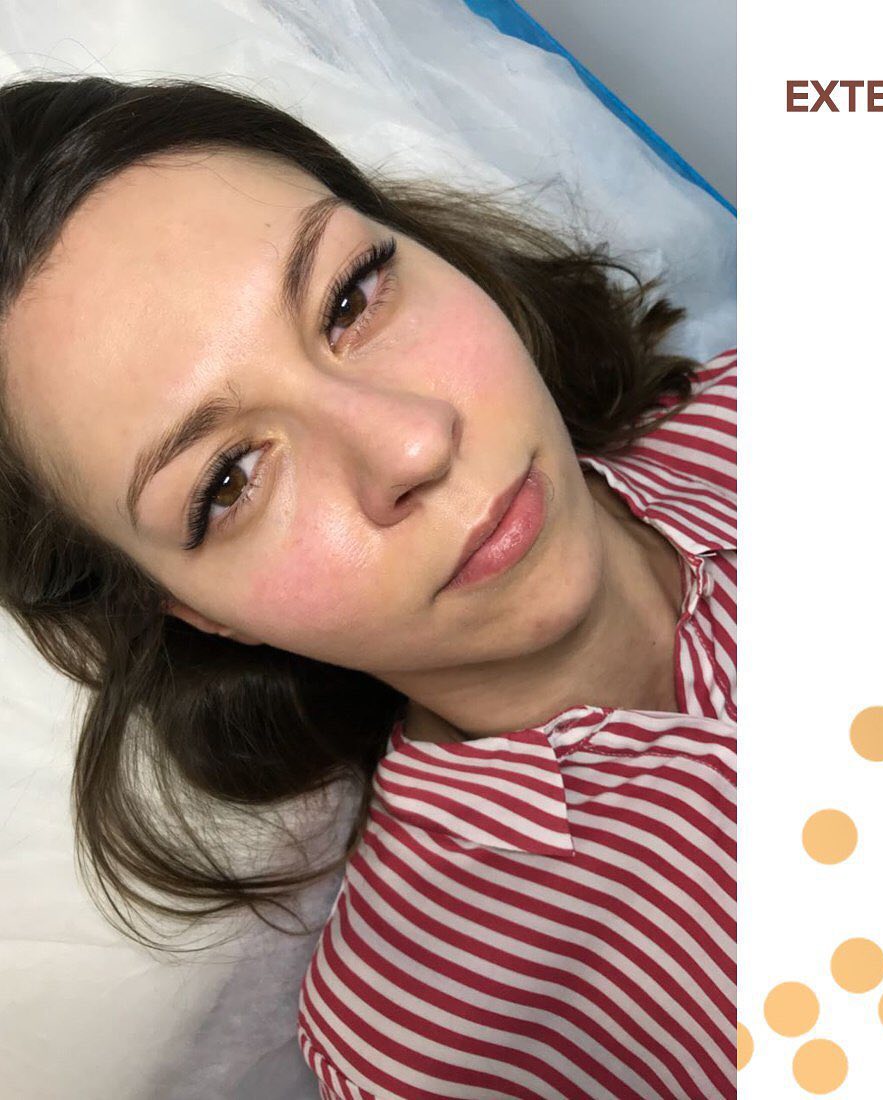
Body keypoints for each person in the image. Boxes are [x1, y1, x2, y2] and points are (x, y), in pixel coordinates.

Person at [0, 75, 735, 1098]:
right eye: (228, 481)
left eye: (349, 298)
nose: (412, 444)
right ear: (196, 611)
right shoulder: (432, 1040)